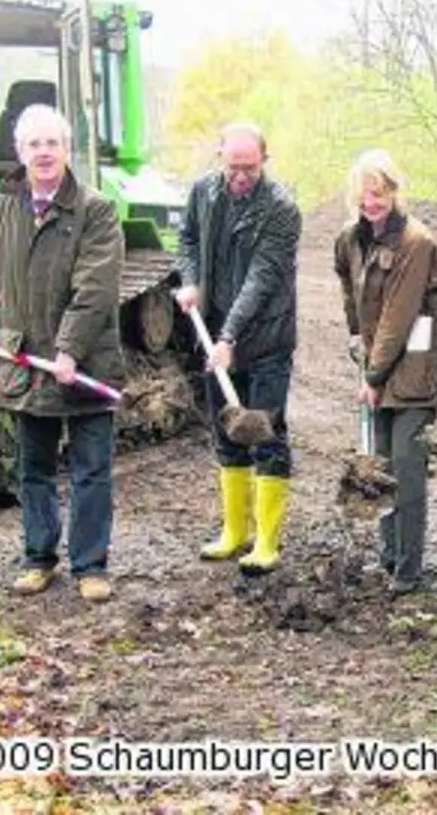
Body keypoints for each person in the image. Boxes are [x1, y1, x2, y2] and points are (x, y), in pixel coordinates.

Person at [0, 103, 125, 603]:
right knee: (32, 467)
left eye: (52, 143)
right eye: (34, 144)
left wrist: (70, 350)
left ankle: (90, 566)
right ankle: (38, 558)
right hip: (24, 364)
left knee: (90, 469)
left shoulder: (95, 210)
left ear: (67, 149)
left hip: (84, 364)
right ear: (19, 151)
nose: (44, 153)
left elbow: (95, 288)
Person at [174, 122, 303, 576]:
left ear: (264, 160)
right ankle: (234, 531)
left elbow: (262, 280)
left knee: (265, 432)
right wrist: (190, 280)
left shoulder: (281, 209)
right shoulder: (204, 192)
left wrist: (229, 337)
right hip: (215, 335)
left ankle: (266, 540)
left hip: (265, 339)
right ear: (220, 157)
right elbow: (187, 238)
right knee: (227, 429)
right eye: (234, 167)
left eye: (249, 168)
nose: (241, 176)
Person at [333, 150, 437, 596]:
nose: (371, 203)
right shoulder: (351, 239)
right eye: (364, 195)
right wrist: (353, 337)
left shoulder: (415, 242)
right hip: (379, 365)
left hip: (416, 371)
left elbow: (398, 317)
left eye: (379, 194)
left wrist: (372, 377)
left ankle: (408, 568)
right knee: (381, 464)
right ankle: (388, 555)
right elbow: (350, 289)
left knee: (406, 466)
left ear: (394, 192)